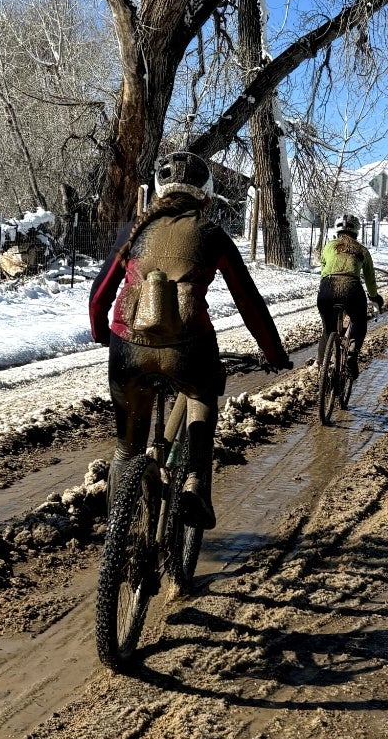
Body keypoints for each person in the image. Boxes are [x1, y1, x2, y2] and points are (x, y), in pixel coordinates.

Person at [89, 152, 292, 530]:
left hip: (128, 348)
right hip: (188, 350)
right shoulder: (212, 233)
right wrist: (273, 353)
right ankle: (196, 485)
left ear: (159, 192)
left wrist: (103, 335)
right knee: (201, 394)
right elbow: (248, 301)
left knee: (125, 449)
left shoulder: (136, 229)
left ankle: (119, 527)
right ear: (205, 195)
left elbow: (100, 293)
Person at [317, 214, 384, 377]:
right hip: (351, 289)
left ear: (337, 231)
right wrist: (375, 298)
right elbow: (370, 279)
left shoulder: (329, 247)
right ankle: (352, 356)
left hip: (327, 288)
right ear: (357, 232)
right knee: (359, 322)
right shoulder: (362, 250)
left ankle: (321, 367)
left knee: (327, 330)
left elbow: (323, 270)